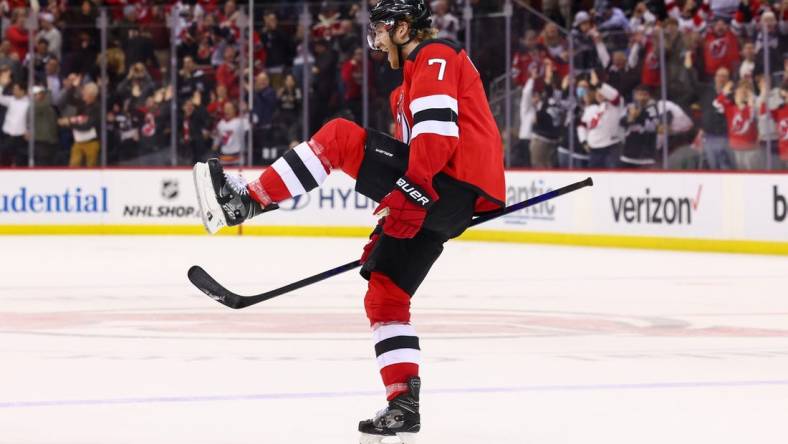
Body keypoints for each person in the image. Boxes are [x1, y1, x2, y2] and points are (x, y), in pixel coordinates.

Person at [192, 1, 505, 442]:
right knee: (385, 297)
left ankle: (245, 203)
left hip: (444, 186)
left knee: (339, 137)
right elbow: (423, 147)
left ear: (402, 28)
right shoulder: (406, 85)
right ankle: (403, 405)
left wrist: (414, 193)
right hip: (443, 199)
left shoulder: (434, 54)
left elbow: (438, 136)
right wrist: (400, 211)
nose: (375, 39)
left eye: (380, 29)